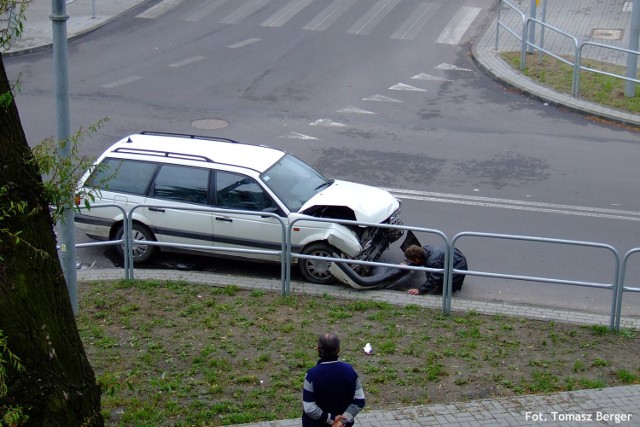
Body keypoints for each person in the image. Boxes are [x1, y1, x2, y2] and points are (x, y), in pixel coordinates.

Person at [302, 333, 365, 427]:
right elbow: (359, 400)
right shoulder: (350, 371)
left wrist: (331, 419)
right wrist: (342, 421)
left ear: (318, 349)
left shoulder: (312, 374)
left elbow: (309, 408)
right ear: (338, 350)